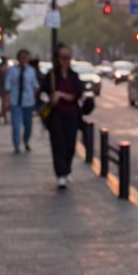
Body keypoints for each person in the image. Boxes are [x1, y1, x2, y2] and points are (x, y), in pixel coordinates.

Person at [40, 43, 85, 190]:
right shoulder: (51, 76)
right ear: (57, 59)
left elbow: (77, 94)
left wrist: (62, 95)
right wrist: (50, 99)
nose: (65, 60)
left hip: (71, 115)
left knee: (70, 145)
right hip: (56, 115)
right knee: (58, 144)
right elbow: (41, 94)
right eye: (63, 57)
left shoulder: (74, 76)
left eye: (68, 57)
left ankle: (67, 169)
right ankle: (60, 174)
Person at [4, 49, 39, 154]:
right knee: (16, 125)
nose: (24, 59)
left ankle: (26, 141)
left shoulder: (31, 71)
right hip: (16, 101)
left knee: (28, 125)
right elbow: (7, 86)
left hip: (28, 102)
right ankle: (17, 145)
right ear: (18, 58)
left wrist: (36, 100)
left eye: (26, 57)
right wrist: (6, 101)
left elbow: (35, 86)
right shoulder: (12, 70)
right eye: (22, 57)